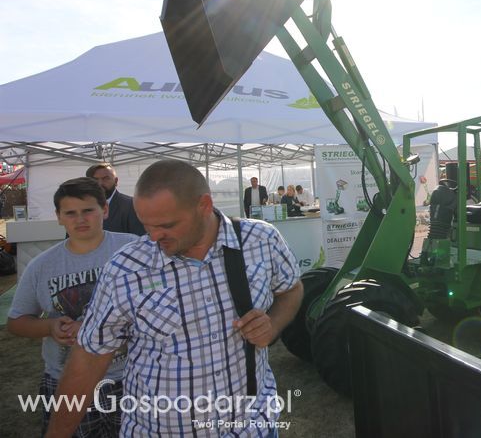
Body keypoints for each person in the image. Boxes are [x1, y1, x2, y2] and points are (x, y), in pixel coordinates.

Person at [46, 159, 303, 437]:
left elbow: (291, 289)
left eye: (166, 225)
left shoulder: (260, 240)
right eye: (146, 225)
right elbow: (88, 359)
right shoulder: (126, 269)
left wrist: (273, 325)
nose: (154, 237)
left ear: (204, 205)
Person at [7, 177, 138, 437]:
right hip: (66, 379)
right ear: (58, 217)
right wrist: (50, 326)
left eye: (88, 210)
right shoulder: (42, 266)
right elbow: (17, 321)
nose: (80, 219)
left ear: (105, 210)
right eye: (70, 213)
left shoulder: (132, 250)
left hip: (130, 376)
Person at [86, 163, 146, 236]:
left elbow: (141, 238)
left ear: (116, 181)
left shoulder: (132, 205)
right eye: (95, 180)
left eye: (106, 178)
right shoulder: (80, 206)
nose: (100, 183)